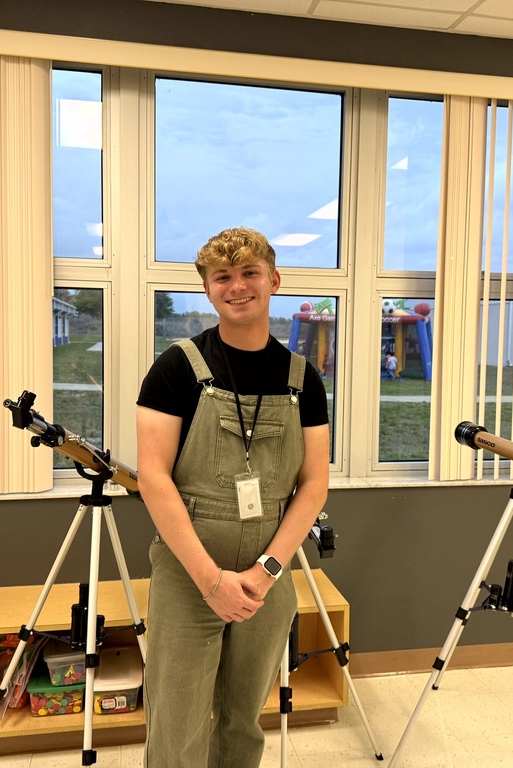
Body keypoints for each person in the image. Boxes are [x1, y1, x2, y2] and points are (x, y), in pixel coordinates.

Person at [136, 227, 330, 768]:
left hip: (266, 575)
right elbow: (154, 478)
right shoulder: (176, 368)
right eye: (223, 276)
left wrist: (267, 570)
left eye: (249, 273)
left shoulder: (302, 380)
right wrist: (210, 580)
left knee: (243, 720)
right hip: (188, 572)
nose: (237, 286)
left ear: (274, 279)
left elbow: (313, 484)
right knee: (177, 723)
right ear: (208, 289)